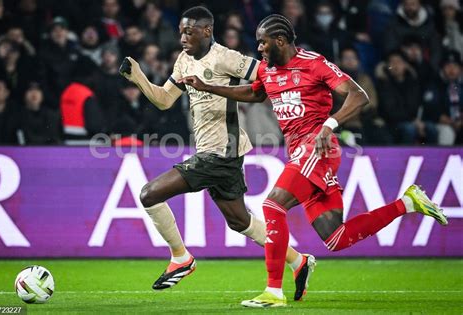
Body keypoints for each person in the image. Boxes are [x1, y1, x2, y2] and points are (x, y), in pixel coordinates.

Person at [179, 14, 448, 307]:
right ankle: (408, 203)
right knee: (335, 237)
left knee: (272, 205)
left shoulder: (313, 63)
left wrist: (329, 125)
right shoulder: (268, 70)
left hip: (319, 148)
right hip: (300, 153)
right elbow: (253, 94)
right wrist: (208, 88)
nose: (259, 49)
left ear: (280, 41)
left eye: (263, 42)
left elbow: (359, 96)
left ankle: (273, 292)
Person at [119, 6, 315, 300]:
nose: (183, 37)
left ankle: (181, 258)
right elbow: (164, 100)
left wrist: (297, 93)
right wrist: (139, 78)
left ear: (207, 30)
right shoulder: (184, 61)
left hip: (219, 154)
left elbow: (267, 74)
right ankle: (299, 261)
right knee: (240, 222)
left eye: (189, 31)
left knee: (149, 194)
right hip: (221, 154)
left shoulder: (226, 58)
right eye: (181, 31)